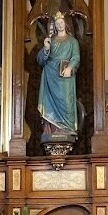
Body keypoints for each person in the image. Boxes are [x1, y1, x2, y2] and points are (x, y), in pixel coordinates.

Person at [37, 11, 80, 140]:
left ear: (65, 24)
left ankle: (68, 129)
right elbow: (40, 60)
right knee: (50, 104)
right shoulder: (51, 41)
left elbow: (76, 57)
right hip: (50, 76)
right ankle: (52, 131)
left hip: (65, 77)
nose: (60, 25)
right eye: (57, 23)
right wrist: (46, 48)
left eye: (61, 22)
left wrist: (70, 68)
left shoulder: (72, 41)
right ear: (54, 26)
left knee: (66, 102)